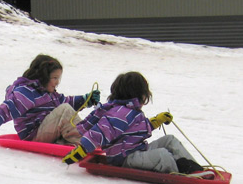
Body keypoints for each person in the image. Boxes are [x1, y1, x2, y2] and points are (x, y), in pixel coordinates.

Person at [61, 71, 213, 177]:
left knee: (169, 140)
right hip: (124, 158)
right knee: (163, 155)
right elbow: (101, 132)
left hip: (136, 150)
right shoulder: (120, 113)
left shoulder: (130, 110)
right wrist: (82, 150)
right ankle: (182, 174)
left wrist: (156, 121)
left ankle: (194, 169)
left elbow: (136, 129)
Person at [0, 54, 100, 144]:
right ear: (43, 77)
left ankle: (76, 141)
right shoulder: (26, 92)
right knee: (64, 110)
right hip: (33, 134)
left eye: (59, 78)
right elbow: (8, 109)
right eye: (55, 78)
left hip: (45, 131)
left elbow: (66, 101)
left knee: (64, 109)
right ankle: (86, 141)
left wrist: (86, 99)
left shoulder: (49, 93)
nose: (57, 82)